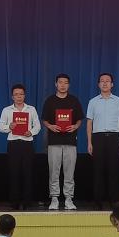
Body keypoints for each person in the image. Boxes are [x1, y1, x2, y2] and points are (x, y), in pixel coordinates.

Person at [42, 73, 85, 211]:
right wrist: (50, 126)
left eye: (65, 82)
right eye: (60, 82)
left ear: (69, 85)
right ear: (56, 84)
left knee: (69, 172)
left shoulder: (74, 100)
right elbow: (44, 119)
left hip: (70, 141)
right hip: (54, 142)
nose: (63, 85)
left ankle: (68, 198)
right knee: (54, 171)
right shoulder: (50, 100)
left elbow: (79, 119)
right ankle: (54, 198)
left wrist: (76, 126)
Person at [86, 72, 119, 209]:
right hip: (98, 138)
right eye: (102, 81)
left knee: (114, 170)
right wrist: (89, 142)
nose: (105, 83)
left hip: (114, 138)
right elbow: (89, 123)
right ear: (98, 84)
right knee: (98, 171)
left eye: (107, 81)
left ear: (112, 84)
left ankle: (114, 201)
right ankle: (97, 202)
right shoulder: (93, 102)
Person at [0, 83, 41, 210]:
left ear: (24, 95)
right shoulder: (7, 110)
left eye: (21, 94)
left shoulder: (31, 109)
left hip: (27, 144)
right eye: (16, 94)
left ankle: (27, 201)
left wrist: (31, 132)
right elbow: (0, 127)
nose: (19, 97)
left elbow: (37, 126)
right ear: (12, 97)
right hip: (13, 144)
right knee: (14, 173)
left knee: (28, 173)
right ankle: (14, 202)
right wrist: (9, 127)